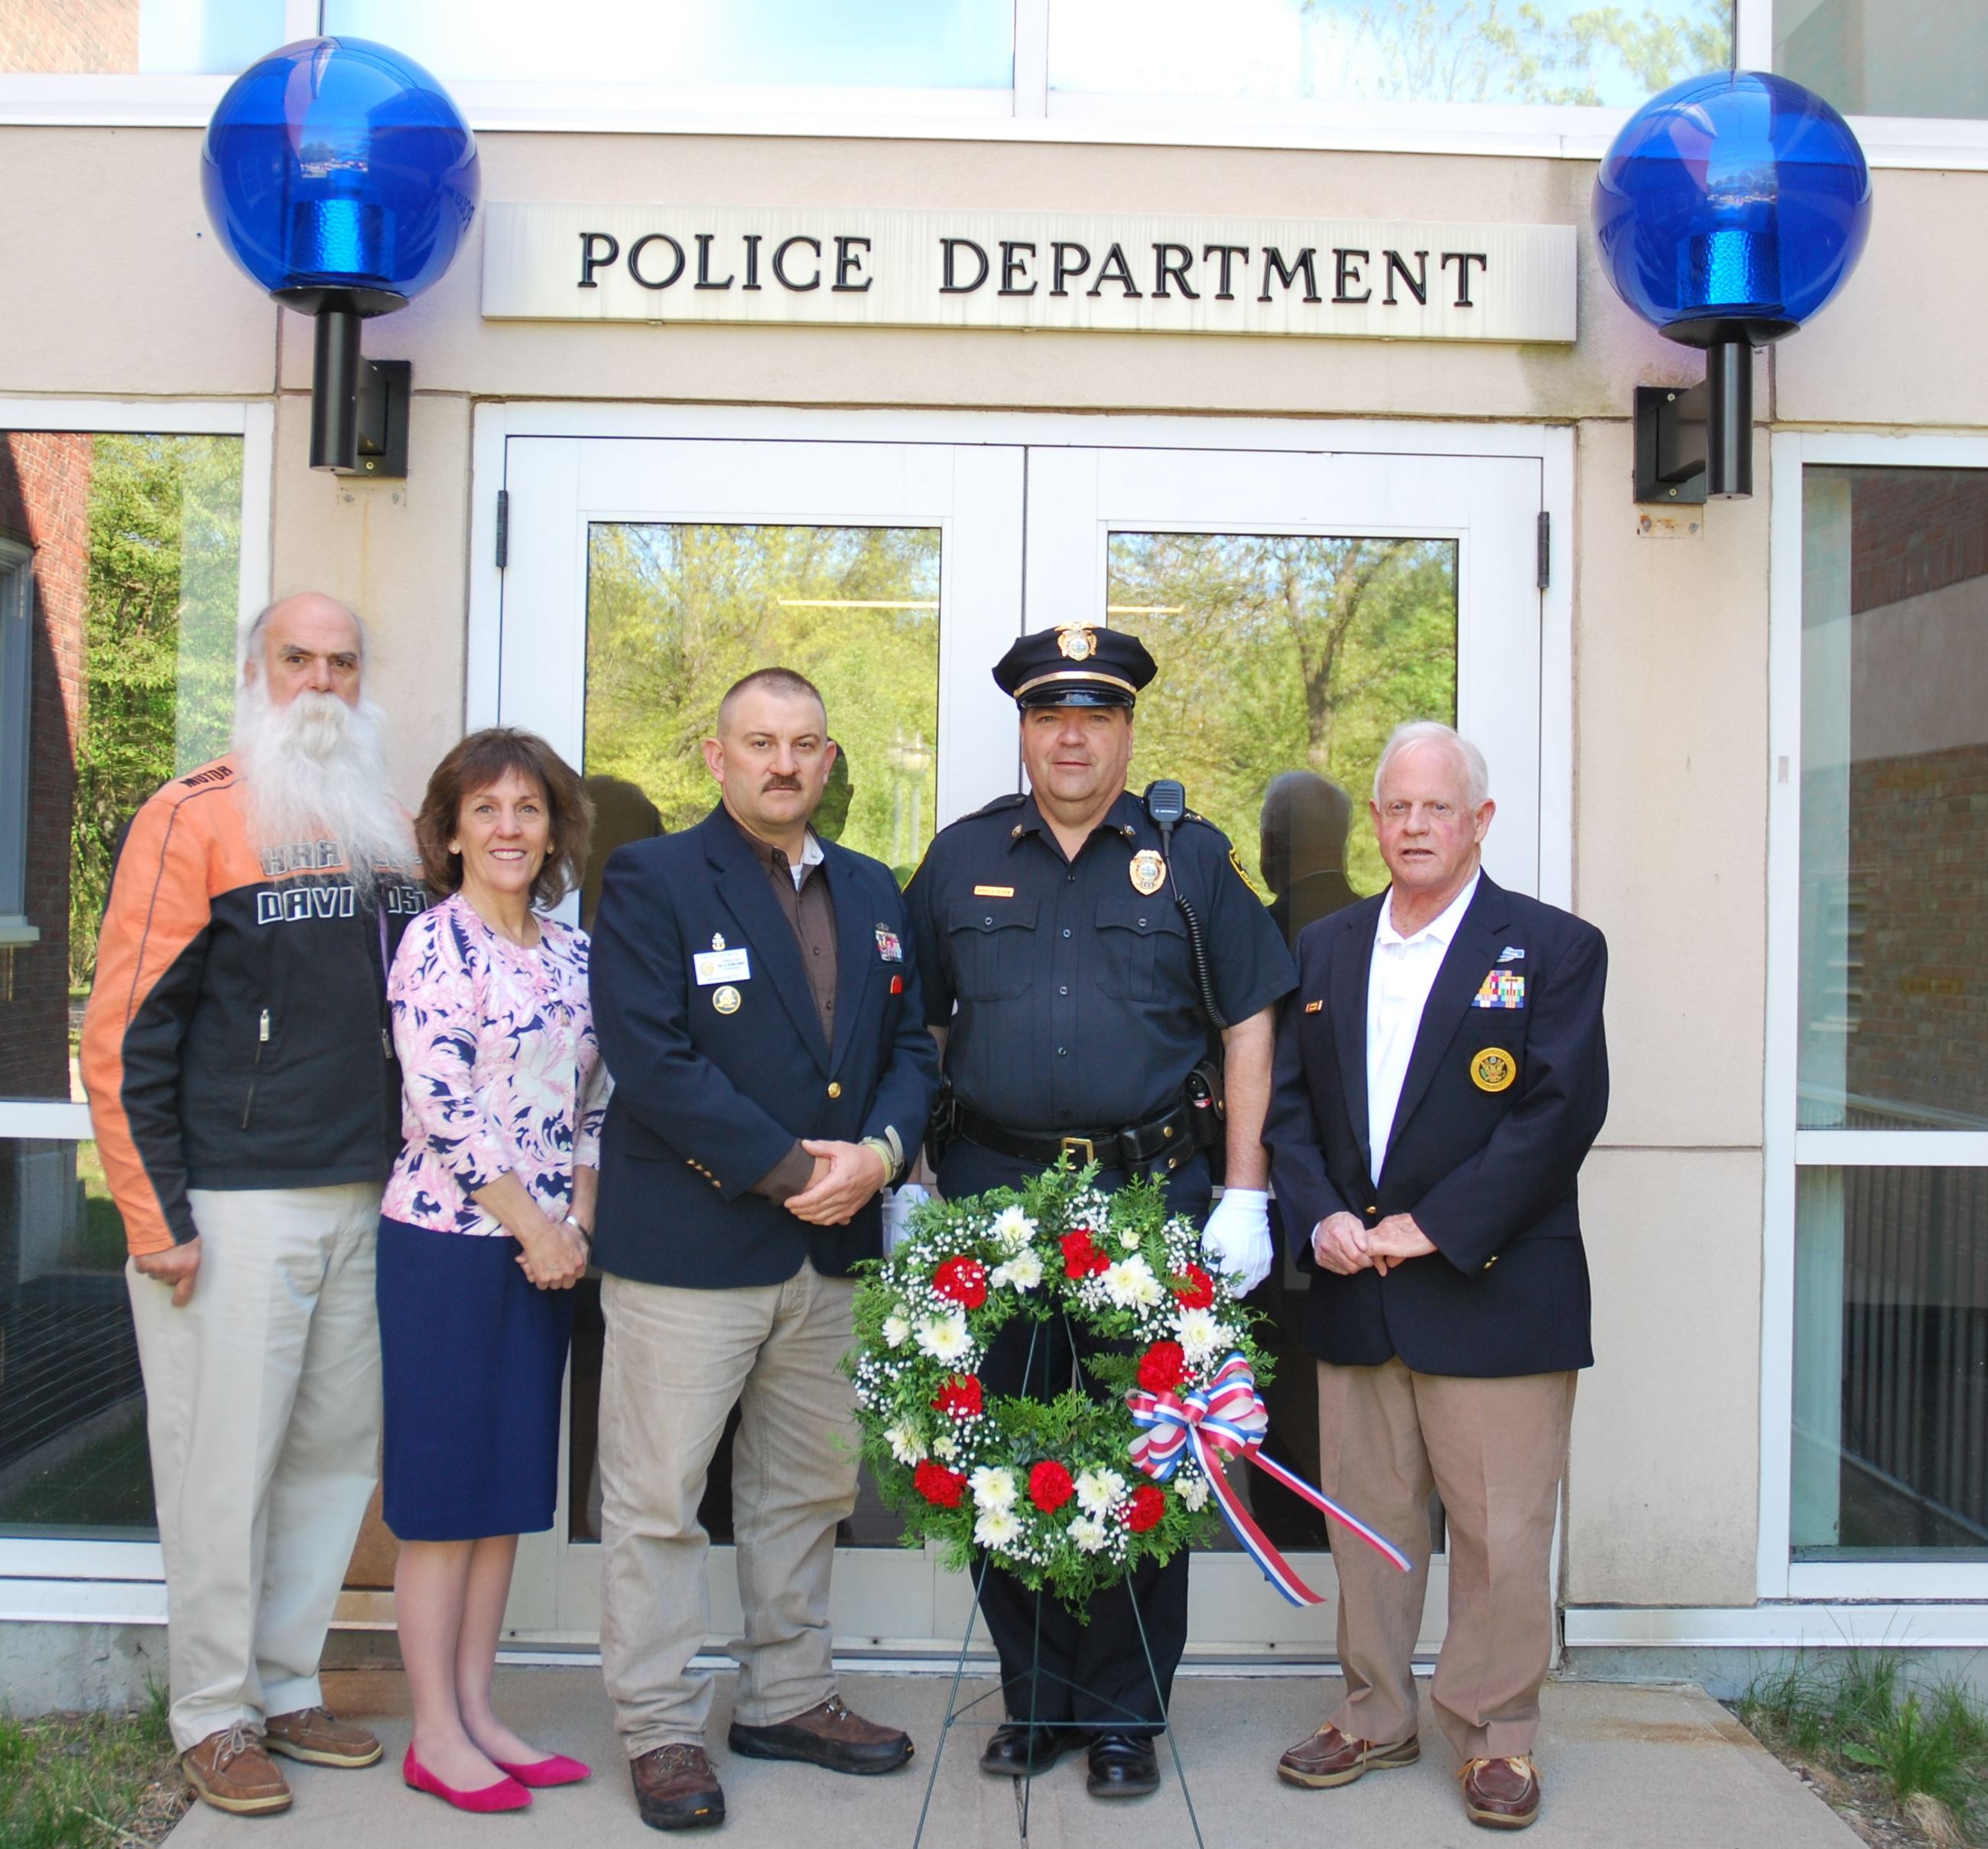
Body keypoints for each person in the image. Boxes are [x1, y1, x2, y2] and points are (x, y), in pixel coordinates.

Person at [904, 622, 1295, 1799]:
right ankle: (1035, 1700)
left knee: (1143, 1456)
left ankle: (1124, 1709)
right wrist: (917, 1183)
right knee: (1001, 1451)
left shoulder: (1190, 858)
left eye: (1096, 715)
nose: (1071, 736)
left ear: (1128, 729)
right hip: (992, 1197)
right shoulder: (961, 855)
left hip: (1151, 1194)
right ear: (1024, 729)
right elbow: (919, 1026)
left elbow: (1249, 1022)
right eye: (1048, 715)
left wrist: (1243, 1190)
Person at [80, 593, 427, 1815]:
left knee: (332, 1460)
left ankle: (287, 1684)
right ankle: (212, 1712)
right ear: (255, 672)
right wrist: (151, 1214)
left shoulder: (390, 826)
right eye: (299, 661)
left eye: (344, 660)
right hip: (228, 1209)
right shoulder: (193, 814)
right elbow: (121, 1032)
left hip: (365, 1198)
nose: (322, 684)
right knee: (220, 1467)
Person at [588, 668, 940, 1833]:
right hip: (694, 1246)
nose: (782, 763)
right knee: (657, 1498)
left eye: (803, 744)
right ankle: (660, 1724)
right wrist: (803, 1171)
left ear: (830, 761)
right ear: (715, 755)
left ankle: (787, 1693)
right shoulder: (650, 880)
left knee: (807, 1487)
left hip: (831, 1254)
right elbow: (653, 1060)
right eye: (759, 742)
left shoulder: (876, 888)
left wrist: (881, 1154)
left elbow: (912, 1049)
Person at [1263, 720, 1609, 1832]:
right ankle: (1373, 1710)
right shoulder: (1323, 950)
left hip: (1495, 1288)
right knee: (1370, 1522)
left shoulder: (1554, 947)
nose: (1415, 825)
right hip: (1357, 1291)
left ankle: (1495, 1732)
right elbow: (1290, 1114)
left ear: (1480, 822)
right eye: (1397, 807)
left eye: (1437, 808)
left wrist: (1430, 1227)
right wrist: (1318, 1219)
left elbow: (1559, 1114)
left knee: (1504, 1531)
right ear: (1375, 821)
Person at [378, 727, 604, 1813]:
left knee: (506, 1489)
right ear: (453, 829)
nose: (510, 827)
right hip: (449, 1247)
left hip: (547, 1253)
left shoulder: (574, 954)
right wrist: (533, 1224)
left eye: (528, 808)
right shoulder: (435, 943)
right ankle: (433, 1730)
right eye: (488, 810)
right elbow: (446, 1111)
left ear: (553, 827)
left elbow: (594, 1102)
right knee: (442, 1495)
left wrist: (577, 1222)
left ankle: (480, 1710)